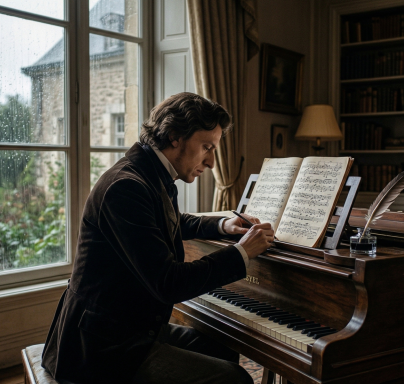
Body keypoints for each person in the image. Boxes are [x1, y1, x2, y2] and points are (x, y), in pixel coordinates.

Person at [41, 92, 275, 384]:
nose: (213, 162)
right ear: (175, 136)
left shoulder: (148, 174)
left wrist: (223, 225)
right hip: (100, 347)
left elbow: (170, 221)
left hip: (123, 328)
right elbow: (169, 283)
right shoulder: (126, 187)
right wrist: (241, 253)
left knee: (220, 347)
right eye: (206, 147)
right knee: (234, 378)